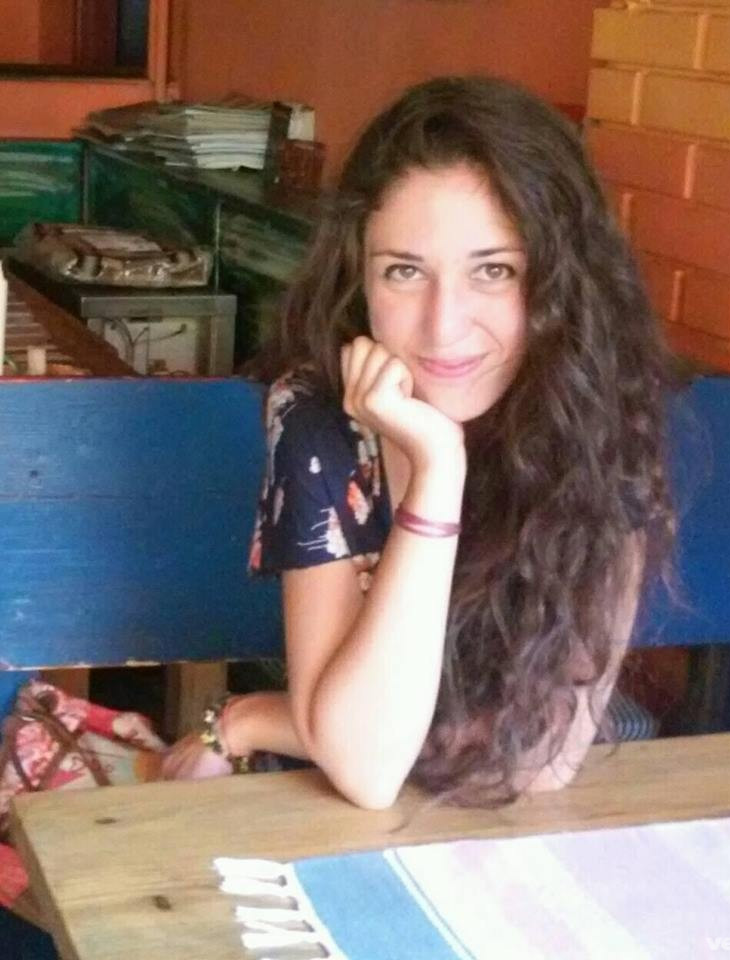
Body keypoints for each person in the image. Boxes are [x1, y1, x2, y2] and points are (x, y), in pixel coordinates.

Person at [162, 75, 678, 808]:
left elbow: (538, 760)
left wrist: (256, 719)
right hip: (356, 807)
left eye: (494, 271)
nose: (443, 326)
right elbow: (368, 772)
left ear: (560, 284)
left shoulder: (598, 412)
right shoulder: (319, 416)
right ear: (359, 277)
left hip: (518, 820)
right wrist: (438, 471)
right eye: (404, 271)